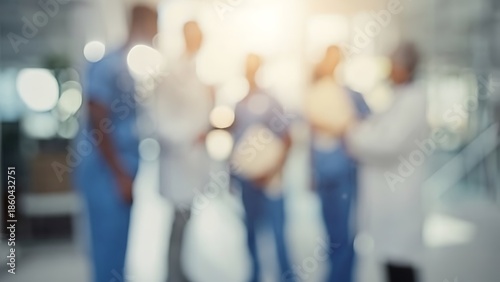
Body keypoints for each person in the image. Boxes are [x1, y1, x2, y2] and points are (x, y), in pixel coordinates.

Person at [72, 5, 158, 282]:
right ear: (143, 24)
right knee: (108, 249)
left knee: (118, 248)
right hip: (106, 174)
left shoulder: (127, 65)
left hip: (119, 171)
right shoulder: (109, 64)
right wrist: (119, 173)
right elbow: (97, 116)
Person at [346, 42, 428, 282]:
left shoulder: (414, 99)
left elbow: (388, 142)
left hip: (399, 198)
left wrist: (352, 134)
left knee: (401, 265)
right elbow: (376, 128)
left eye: (393, 65)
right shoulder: (398, 97)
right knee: (391, 261)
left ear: (405, 68)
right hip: (387, 199)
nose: (389, 71)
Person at [153, 21, 213, 282]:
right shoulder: (172, 72)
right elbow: (161, 121)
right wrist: (191, 135)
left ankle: (178, 272)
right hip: (179, 159)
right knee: (178, 223)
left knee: (185, 221)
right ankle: (172, 275)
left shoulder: (195, 71)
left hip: (192, 160)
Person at [306, 45, 370, 282]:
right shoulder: (315, 92)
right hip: (323, 172)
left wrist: (342, 128)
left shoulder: (351, 95)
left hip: (343, 171)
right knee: (330, 233)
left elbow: (365, 128)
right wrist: (310, 172)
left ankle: (341, 278)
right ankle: (335, 274)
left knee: (344, 233)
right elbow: (312, 141)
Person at [230, 54, 294, 282]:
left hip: (270, 181)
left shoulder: (271, 101)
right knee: (251, 232)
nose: (250, 73)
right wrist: (234, 176)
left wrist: (270, 171)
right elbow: (236, 141)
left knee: (278, 234)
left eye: (253, 68)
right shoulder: (239, 103)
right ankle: (254, 275)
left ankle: (287, 276)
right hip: (247, 182)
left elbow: (287, 138)